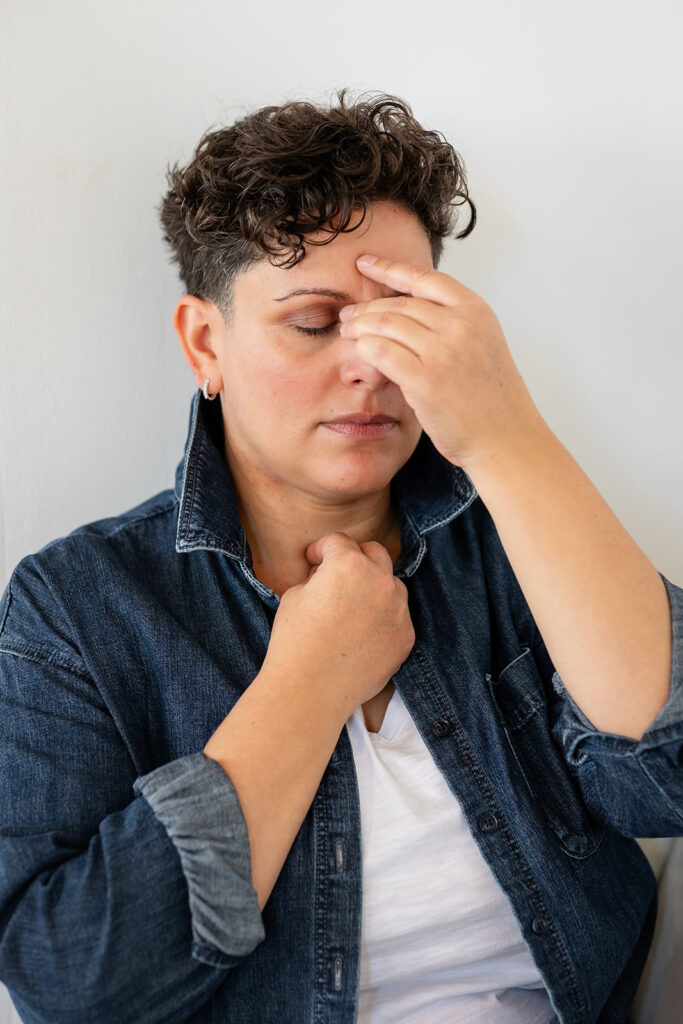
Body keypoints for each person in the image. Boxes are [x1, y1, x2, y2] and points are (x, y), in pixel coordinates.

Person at [0, 88, 681, 1024]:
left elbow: (666, 781)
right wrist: (309, 682)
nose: (371, 365)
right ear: (206, 342)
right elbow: (72, 983)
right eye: (315, 324)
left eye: (404, 319)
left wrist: (508, 436)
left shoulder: (512, 538)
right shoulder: (80, 605)